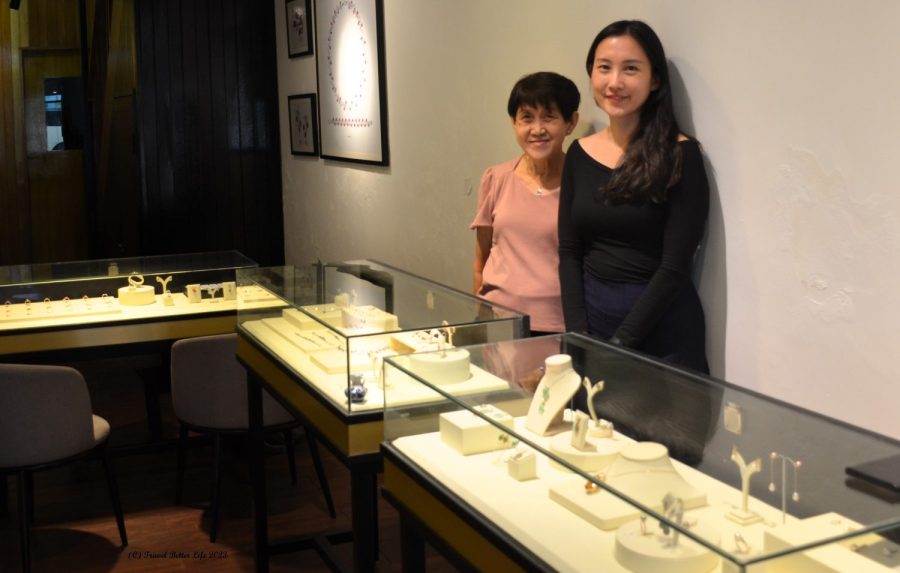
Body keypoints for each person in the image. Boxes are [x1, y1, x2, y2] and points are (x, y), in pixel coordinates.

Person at [558, 20, 710, 373]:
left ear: (654, 79)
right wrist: (578, 334)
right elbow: (569, 251)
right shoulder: (579, 154)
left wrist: (620, 344)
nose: (615, 82)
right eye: (604, 68)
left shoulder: (681, 155)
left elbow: (674, 267)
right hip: (593, 323)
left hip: (662, 330)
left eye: (631, 69)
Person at [471, 71, 580, 336]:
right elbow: (481, 257)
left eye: (549, 117)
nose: (537, 129)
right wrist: (478, 317)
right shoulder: (496, 177)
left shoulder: (582, 183)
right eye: (527, 118)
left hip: (559, 324)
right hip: (500, 319)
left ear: (570, 122)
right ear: (514, 124)